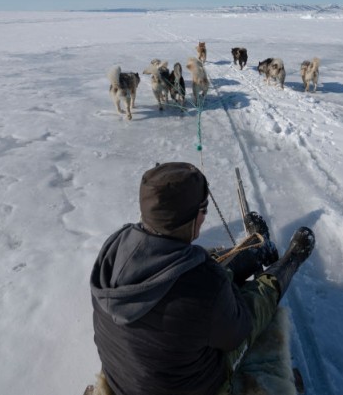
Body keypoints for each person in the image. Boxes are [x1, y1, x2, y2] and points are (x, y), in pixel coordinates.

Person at [90, 162, 315, 395]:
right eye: (204, 209)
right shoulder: (204, 285)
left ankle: (259, 249)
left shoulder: (113, 251)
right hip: (200, 386)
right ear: (190, 218)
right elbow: (238, 331)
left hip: (125, 380)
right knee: (252, 303)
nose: (205, 216)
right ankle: (292, 260)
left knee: (211, 268)